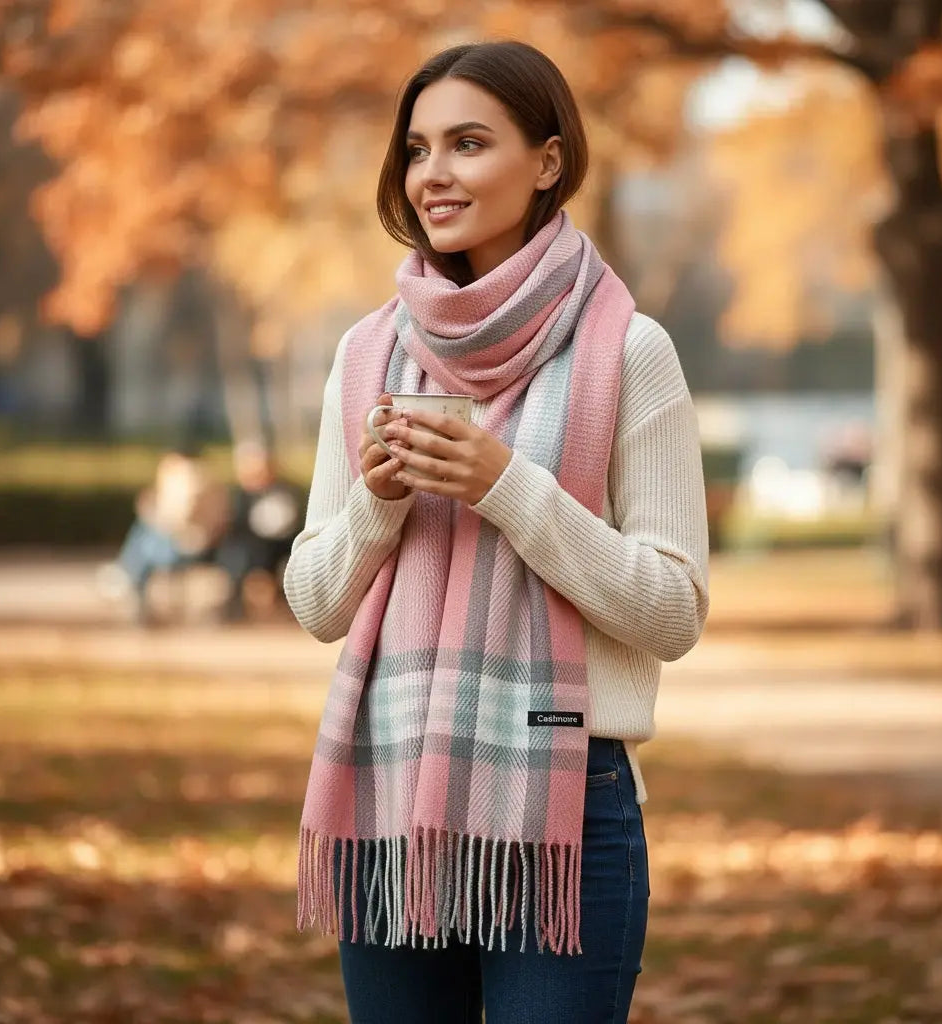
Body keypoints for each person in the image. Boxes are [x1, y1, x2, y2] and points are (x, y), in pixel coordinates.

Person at [283, 41, 709, 1024]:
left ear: (548, 159)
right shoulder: (365, 353)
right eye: (418, 148)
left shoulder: (628, 353)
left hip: (563, 803)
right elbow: (315, 603)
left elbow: (674, 613)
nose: (434, 173)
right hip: (392, 796)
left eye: (468, 143)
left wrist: (511, 488)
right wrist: (378, 503)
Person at [98, 443, 229, 624]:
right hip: (187, 541)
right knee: (143, 533)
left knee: (144, 541)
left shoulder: (189, 482)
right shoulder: (202, 480)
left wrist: (156, 515)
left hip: (189, 545)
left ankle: (127, 575)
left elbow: (181, 519)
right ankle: (128, 575)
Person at [214, 439, 301, 621]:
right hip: (246, 549)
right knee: (237, 557)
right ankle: (237, 611)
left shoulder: (285, 491)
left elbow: (291, 526)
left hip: (279, 547)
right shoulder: (240, 496)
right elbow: (233, 527)